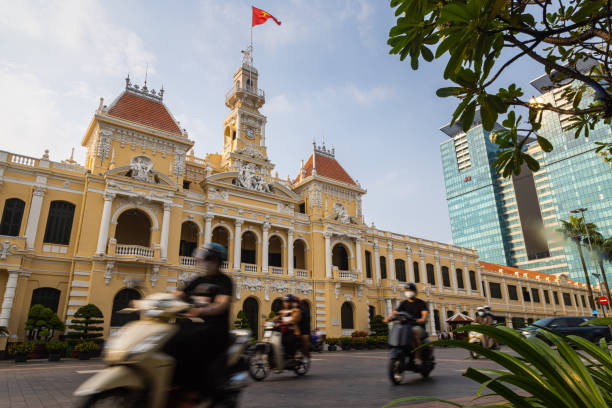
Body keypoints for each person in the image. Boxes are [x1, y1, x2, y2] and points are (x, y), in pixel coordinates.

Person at [163, 243, 233, 396]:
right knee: (167, 338)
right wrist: (155, 301)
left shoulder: (224, 281)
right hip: (193, 326)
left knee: (186, 340)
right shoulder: (197, 281)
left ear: (218, 262)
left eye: (209, 259)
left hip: (214, 330)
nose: (205, 263)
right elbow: (178, 295)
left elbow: (221, 304)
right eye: (204, 259)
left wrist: (202, 310)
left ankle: (190, 389)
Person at [384, 283, 429, 360]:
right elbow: (395, 312)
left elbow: (424, 314)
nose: (408, 292)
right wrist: (388, 318)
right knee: (397, 329)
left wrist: (422, 319)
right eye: (406, 290)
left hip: (418, 326)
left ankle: (417, 355)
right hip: (407, 326)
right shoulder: (404, 303)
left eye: (410, 290)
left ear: (415, 292)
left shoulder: (421, 303)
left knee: (415, 331)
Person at [275, 294, 301, 362]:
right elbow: (275, 318)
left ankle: (290, 356)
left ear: (292, 302)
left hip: (293, 331)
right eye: (285, 301)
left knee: (289, 340)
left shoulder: (296, 311)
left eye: (288, 301)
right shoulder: (282, 311)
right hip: (282, 331)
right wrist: (267, 322)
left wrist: (283, 323)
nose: (286, 303)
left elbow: (294, 319)